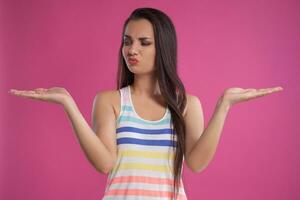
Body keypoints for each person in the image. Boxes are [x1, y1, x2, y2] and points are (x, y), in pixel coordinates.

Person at [9, 7, 283, 200]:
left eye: (144, 42)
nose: (132, 50)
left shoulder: (187, 104)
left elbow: (197, 163)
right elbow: (105, 164)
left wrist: (224, 105)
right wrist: (68, 104)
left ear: (162, 47)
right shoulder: (110, 101)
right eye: (127, 41)